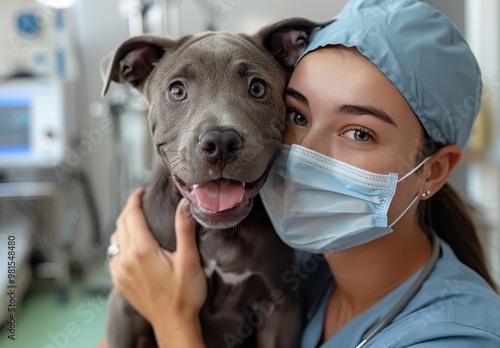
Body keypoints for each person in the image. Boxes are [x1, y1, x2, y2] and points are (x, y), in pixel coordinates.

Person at [104, 0, 500, 347]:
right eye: (296, 115)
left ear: (433, 171)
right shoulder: (296, 253)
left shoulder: (456, 336)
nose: (304, 152)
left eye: (359, 132)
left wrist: (172, 319)